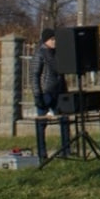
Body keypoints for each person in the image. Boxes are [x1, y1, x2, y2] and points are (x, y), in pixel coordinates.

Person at [30, 28, 71, 161]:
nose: (55, 41)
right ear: (46, 40)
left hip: (60, 92)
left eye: (55, 39)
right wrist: (37, 95)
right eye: (52, 39)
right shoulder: (40, 54)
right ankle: (42, 154)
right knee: (41, 124)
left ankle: (66, 151)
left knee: (64, 121)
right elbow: (35, 75)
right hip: (46, 92)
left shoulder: (58, 53)